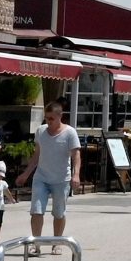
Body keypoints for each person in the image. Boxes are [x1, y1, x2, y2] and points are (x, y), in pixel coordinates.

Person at [28, 100, 80, 240]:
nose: (48, 121)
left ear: (59, 116)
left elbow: (76, 155)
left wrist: (76, 175)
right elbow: (37, 154)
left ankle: (57, 242)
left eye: (51, 118)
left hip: (61, 179)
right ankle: (36, 243)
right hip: (41, 178)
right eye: (46, 117)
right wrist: (26, 174)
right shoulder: (41, 131)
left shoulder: (70, 133)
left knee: (59, 213)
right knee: (36, 211)